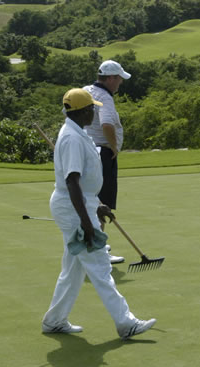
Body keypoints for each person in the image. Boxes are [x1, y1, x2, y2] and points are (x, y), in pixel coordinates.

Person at [42, 88, 156, 340]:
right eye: (91, 108)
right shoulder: (71, 138)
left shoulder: (77, 132)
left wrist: (96, 205)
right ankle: (126, 323)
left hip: (80, 203)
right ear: (82, 111)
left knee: (73, 269)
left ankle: (54, 320)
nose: (94, 111)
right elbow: (72, 181)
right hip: (73, 208)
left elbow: (82, 185)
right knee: (99, 266)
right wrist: (87, 222)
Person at [83, 60, 131, 264]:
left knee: (92, 201)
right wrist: (114, 147)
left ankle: (93, 242)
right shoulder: (105, 98)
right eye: (119, 78)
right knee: (101, 204)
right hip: (102, 154)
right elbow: (107, 124)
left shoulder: (86, 91)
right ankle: (97, 251)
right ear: (111, 78)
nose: (120, 82)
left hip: (86, 151)